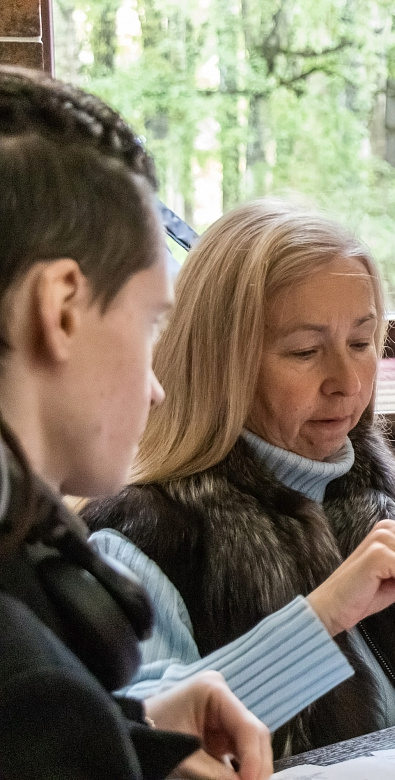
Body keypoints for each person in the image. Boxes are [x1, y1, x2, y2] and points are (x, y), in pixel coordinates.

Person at [82, 198, 395, 757]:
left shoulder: (390, 496)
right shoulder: (143, 539)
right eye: (305, 351)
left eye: (361, 343)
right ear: (221, 363)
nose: (347, 381)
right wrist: (324, 616)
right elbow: (143, 751)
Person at [0, 65, 271, 779]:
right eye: (151, 322)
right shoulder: (28, 694)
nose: (155, 389)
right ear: (61, 308)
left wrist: (127, 734)